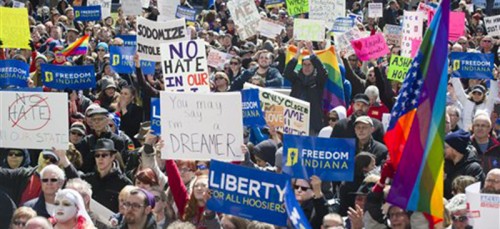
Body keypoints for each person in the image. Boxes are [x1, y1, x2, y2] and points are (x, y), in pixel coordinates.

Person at [284, 41, 328, 135]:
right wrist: (298, 52)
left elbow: (322, 71)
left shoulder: (318, 80)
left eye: (309, 65)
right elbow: (287, 72)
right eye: (304, 64)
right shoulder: (297, 79)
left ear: (314, 66)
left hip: (312, 123)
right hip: (295, 122)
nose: (306, 67)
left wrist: (311, 51)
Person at [81, 138, 132, 213]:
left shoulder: (125, 184)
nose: (100, 158)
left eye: (104, 155)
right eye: (97, 155)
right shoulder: (86, 179)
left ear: (112, 157)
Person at [444, 130, 485, 199]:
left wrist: (445, 180)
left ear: (455, 149)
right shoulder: (445, 164)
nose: (443, 150)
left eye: (446, 147)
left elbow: (466, 194)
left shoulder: (474, 169)